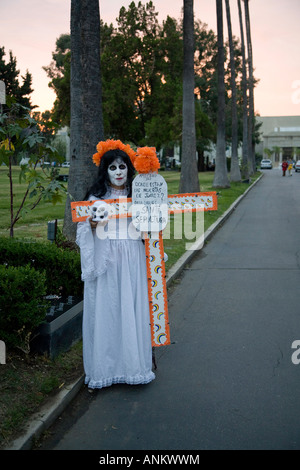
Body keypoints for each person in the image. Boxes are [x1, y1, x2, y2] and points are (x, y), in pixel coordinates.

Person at [76, 140, 155, 390]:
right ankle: (106, 369)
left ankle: (133, 367)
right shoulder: (96, 197)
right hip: (107, 258)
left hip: (132, 257)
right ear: (105, 171)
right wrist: (91, 225)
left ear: (129, 169)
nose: (119, 172)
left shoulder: (138, 195)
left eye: (122, 167)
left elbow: (151, 227)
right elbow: (83, 229)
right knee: (108, 310)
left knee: (131, 309)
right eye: (113, 168)